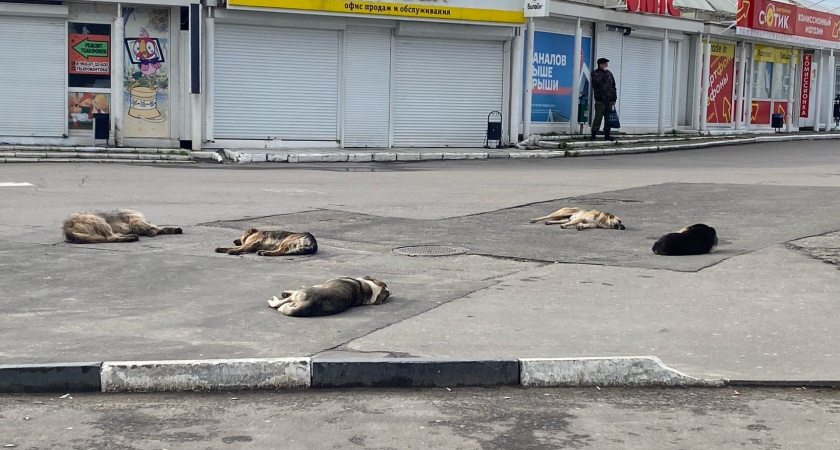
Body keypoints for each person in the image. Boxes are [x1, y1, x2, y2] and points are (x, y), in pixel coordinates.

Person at [590, 57, 617, 141]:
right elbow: (597, 83)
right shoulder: (595, 73)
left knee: (608, 118)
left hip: (609, 100)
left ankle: (607, 134)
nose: (607, 65)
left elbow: (613, 86)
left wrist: (614, 98)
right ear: (600, 64)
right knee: (598, 118)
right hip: (600, 100)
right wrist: (603, 74)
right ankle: (594, 134)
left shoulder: (609, 73)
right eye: (605, 64)